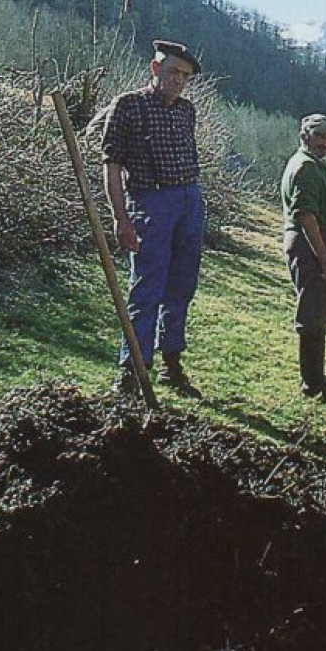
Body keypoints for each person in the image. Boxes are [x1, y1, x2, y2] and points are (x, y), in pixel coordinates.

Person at [100, 39, 206, 395]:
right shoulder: (127, 106)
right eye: (173, 71)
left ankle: (171, 362)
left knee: (182, 286)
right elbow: (111, 165)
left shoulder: (186, 111)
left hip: (189, 200)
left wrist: (193, 202)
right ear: (154, 68)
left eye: (185, 76)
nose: (178, 80)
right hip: (150, 202)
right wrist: (120, 216)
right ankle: (131, 369)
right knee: (146, 286)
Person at [280, 113, 326, 401]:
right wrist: (324, 259)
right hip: (309, 248)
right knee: (312, 315)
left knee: (319, 312)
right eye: (319, 136)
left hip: (312, 245)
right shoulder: (306, 168)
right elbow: (306, 216)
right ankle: (313, 384)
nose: (325, 142)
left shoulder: (312, 164)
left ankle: (316, 378)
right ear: (304, 135)